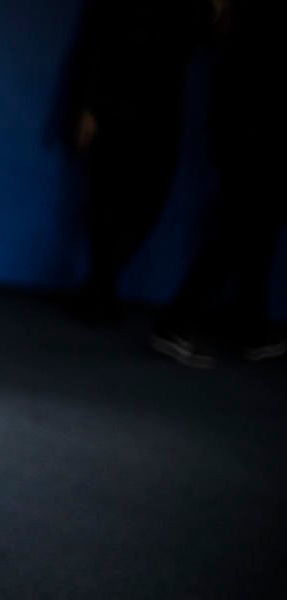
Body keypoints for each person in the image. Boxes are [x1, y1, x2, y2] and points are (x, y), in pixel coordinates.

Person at [148, 0, 286, 367]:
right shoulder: (255, 23)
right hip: (254, 142)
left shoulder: (245, 23)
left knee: (256, 237)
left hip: (247, 138)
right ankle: (175, 325)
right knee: (236, 234)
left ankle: (251, 330)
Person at [63, 0, 213, 323]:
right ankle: (100, 289)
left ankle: (99, 285)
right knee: (107, 197)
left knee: (149, 199)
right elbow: (96, 40)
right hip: (116, 102)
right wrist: (87, 106)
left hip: (162, 109)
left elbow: (206, 37)